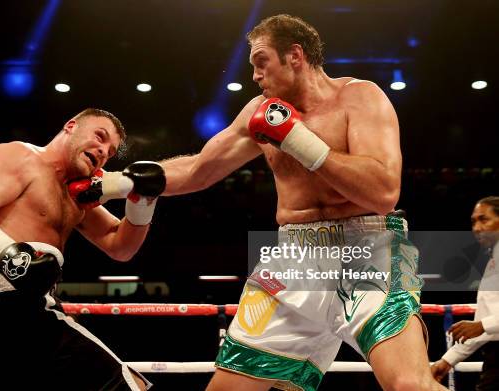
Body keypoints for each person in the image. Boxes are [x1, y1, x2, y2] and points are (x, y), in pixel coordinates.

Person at [161, 14, 447, 391]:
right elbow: (198, 170)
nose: (255, 76)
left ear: (295, 55)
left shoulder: (360, 97)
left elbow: (382, 193)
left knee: (409, 385)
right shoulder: (258, 114)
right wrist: (119, 183)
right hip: (293, 259)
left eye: (261, 62)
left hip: (370, 252)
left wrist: (299, 140)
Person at [0, 108, 165, 390]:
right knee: (126, 386)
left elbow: (120, 246)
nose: (102, 151)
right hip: (1, 306)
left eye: (110, 153)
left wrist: (142, 202)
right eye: (100, 137)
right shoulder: (20, 156)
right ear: (71, 126)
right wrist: (14, 258)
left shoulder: (75, 197)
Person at [431, 196, 499, 390]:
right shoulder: (493, 262)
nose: (477, 227)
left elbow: (483, 325)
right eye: (474, 221)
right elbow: (485, 325)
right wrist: (447, 360)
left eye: (484, 219)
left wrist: (482, 325)